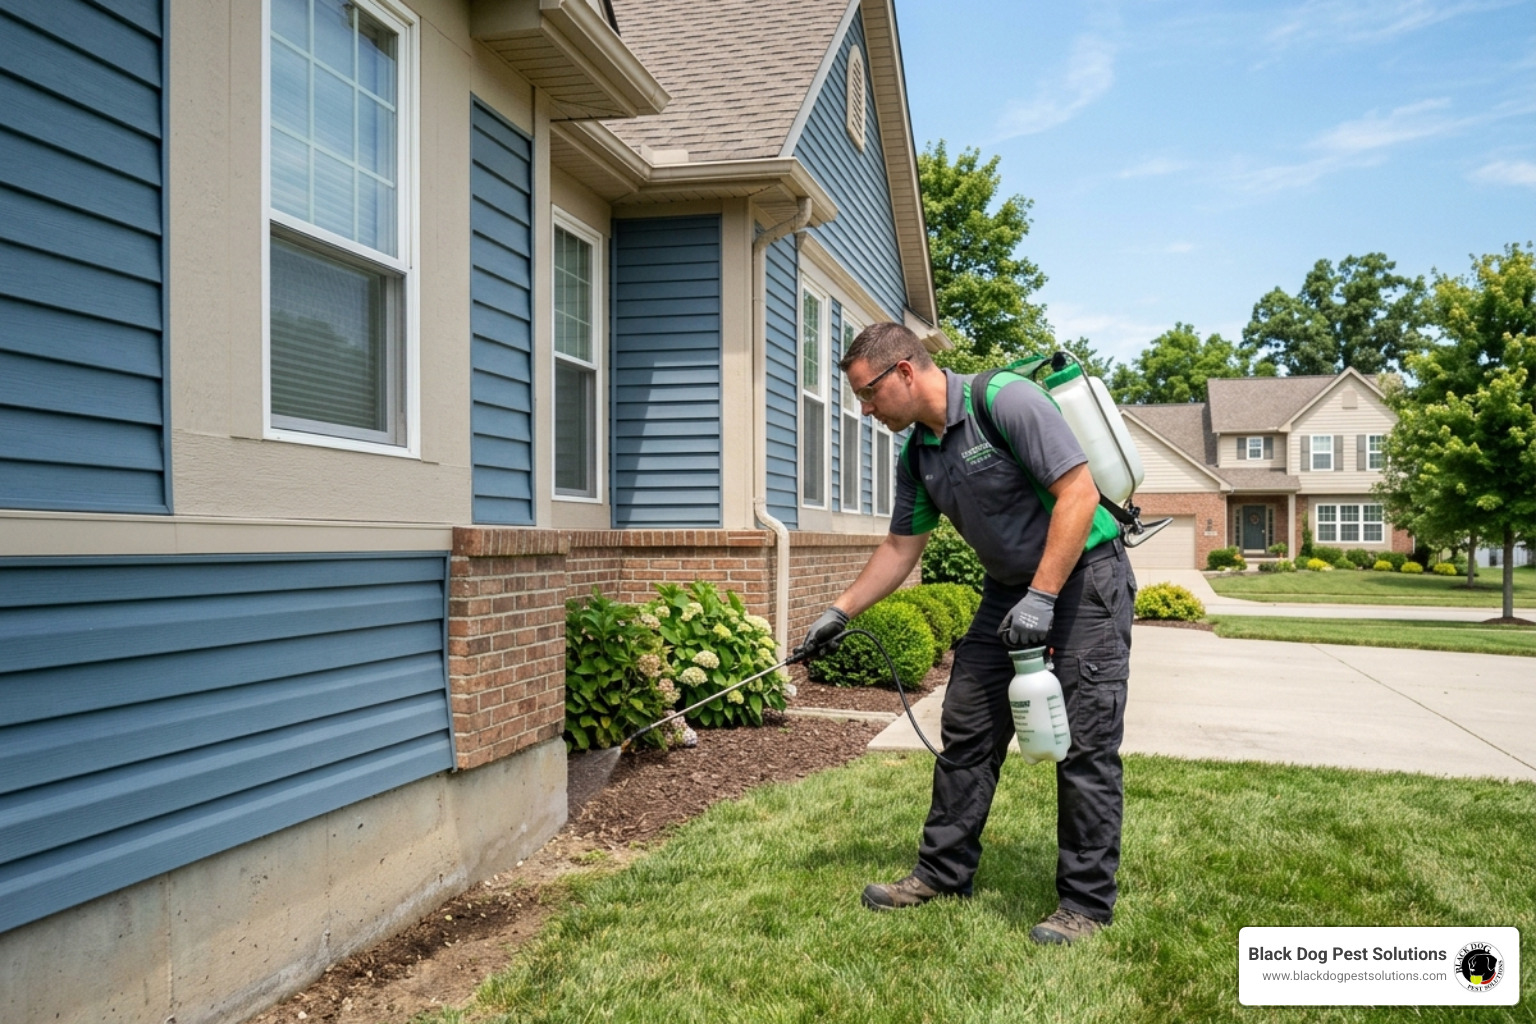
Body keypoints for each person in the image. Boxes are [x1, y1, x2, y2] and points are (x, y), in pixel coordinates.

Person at [799, 322, 1135, 945]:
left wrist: (1043, 596)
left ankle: (1085, 906)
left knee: (1084, 745)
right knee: (968, 729)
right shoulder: (919, 453)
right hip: (1009, 591)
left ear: (903, 370)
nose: (866, 412)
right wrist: (840, 611)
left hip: (1085, 580)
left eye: (868, 396)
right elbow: (902, 547)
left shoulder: (1004, 401)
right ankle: (943, 872)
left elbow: (1079, 493)